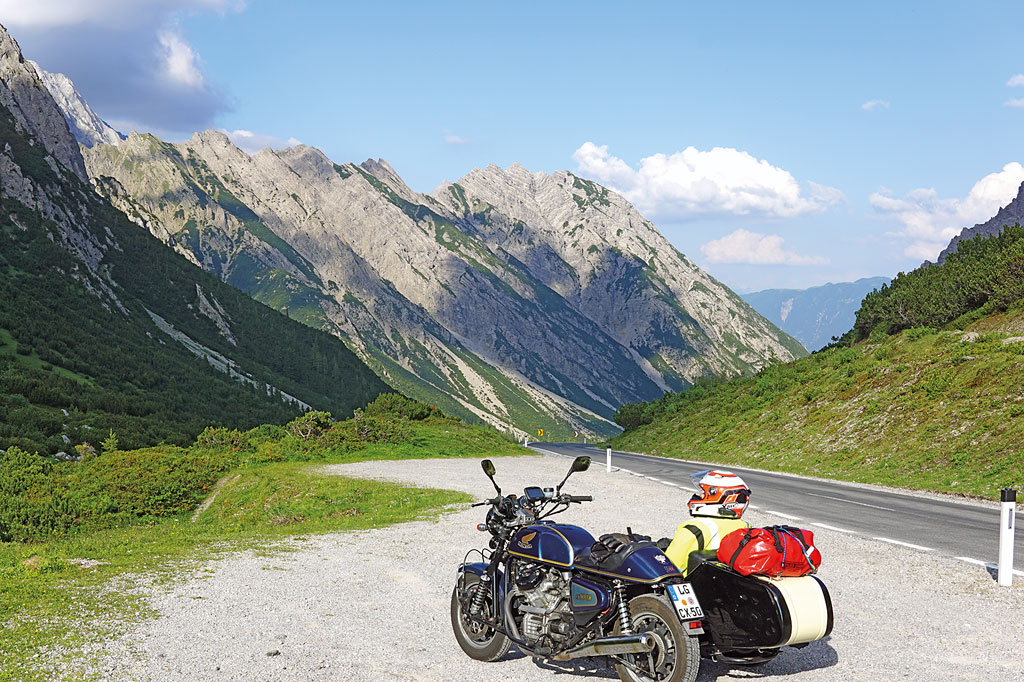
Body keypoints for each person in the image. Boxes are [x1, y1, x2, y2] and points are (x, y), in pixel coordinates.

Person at [661, 470, 752, 575]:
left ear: (718, 496)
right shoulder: (746, 528)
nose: (699, 495)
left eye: (703, 492)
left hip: (693, 587)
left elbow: (668, 566)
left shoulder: (695, 528)